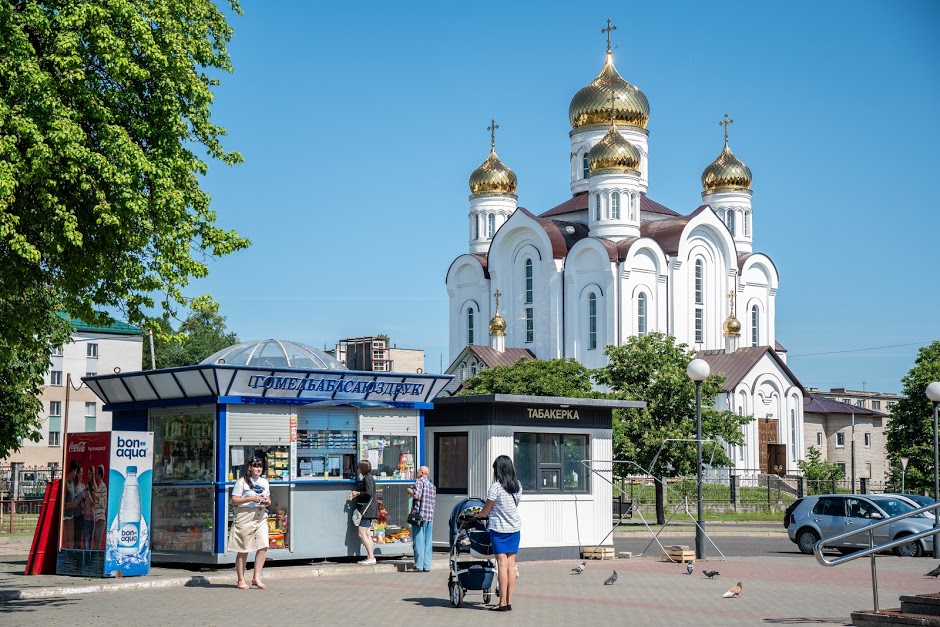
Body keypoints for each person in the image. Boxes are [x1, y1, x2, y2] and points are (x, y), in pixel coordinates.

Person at [476, 455, 521, 612]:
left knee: (501, 565)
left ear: (498, 470)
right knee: (511, 565)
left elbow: (486, 509)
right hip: (515, 528)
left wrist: (480, 515)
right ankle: (509, 601)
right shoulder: (517, 486)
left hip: (499, 529)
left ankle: (502, 603)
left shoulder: (496, 487)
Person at [228, 456, 271, 589]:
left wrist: (266, 501)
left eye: (260, 466)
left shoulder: (264, 482)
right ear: (249, 467)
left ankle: (256, 577)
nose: (258, 469)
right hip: (245, 515)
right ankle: (241, 580)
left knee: (263, 546)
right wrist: (251, 498)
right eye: (256, 466)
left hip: (260, 515)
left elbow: (268, 498)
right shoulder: (241, 482)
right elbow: (234, 500)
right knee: (243, 548)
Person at [406, 465, 436, 572]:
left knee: (418, 540)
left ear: (423, 473)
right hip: (429, 517)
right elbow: (433, 504)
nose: (417, 472)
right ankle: (426, 566)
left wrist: (409, 490)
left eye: (418, 470)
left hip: (419, 517)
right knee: (428, 542)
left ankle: (418, 566)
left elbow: (416, 496)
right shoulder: (432, 486)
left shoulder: (419, 482)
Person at [348, 459, 378, 565]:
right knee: (367, 534)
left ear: (362, 468)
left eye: (358, 467)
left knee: (362, 534)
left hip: (366, 510)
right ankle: (370, 556)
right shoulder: (368, 477)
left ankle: (371, 557)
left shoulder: (367, 478)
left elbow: (368, 493)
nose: (358, 469)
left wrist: (358, 493)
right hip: (369, 510)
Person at [62, 460, 79, 549]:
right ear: (73, 471)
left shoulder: (72, 483)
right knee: (68, 540)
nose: (76, 474)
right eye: (76, 472)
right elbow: (62, 505)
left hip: (71, 516)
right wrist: (71, 504)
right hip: (66, 517)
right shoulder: (66, 483)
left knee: (71, 540)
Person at [93, 465, 108, 550]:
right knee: (95, 542)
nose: (95, 476)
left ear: (100, 475)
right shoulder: (98, 487)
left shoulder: (103, 487)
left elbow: (104, 502)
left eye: (96, 474)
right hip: (96, 518)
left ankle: (96, 561)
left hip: (100, 519)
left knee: (97, 544)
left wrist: (97, 498)